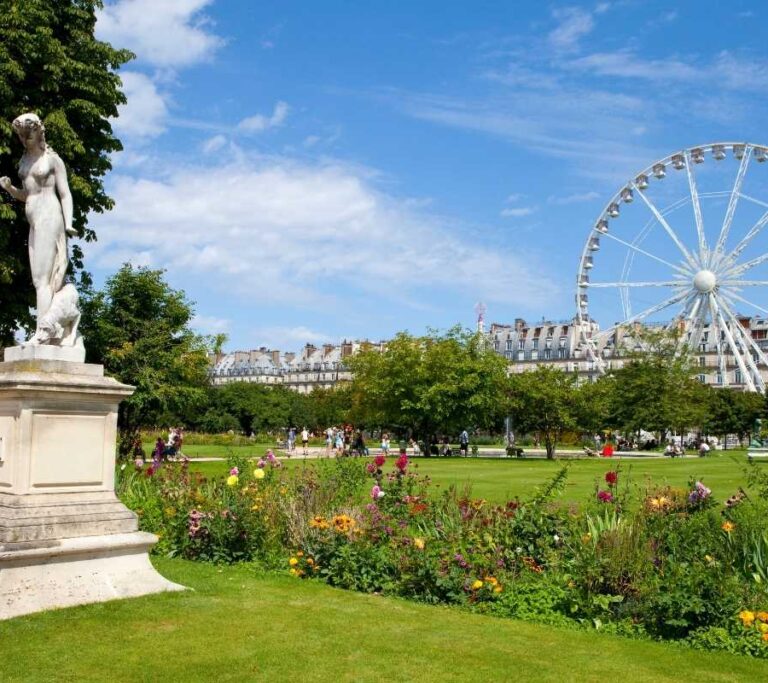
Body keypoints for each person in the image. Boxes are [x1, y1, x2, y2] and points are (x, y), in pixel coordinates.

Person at [0, 113, 77, 344]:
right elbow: (28, 195)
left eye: (29, 132)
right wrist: (11, 190)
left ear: (40, 132)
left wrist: (69, 223)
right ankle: (49, 330)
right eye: (21, 134)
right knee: (39, 280)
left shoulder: (52, 160)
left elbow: (65, 193)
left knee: (43, 279)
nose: (25, 138)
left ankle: (42, 334)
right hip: (34, 220)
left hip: (49, 216)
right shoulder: (24, 161)